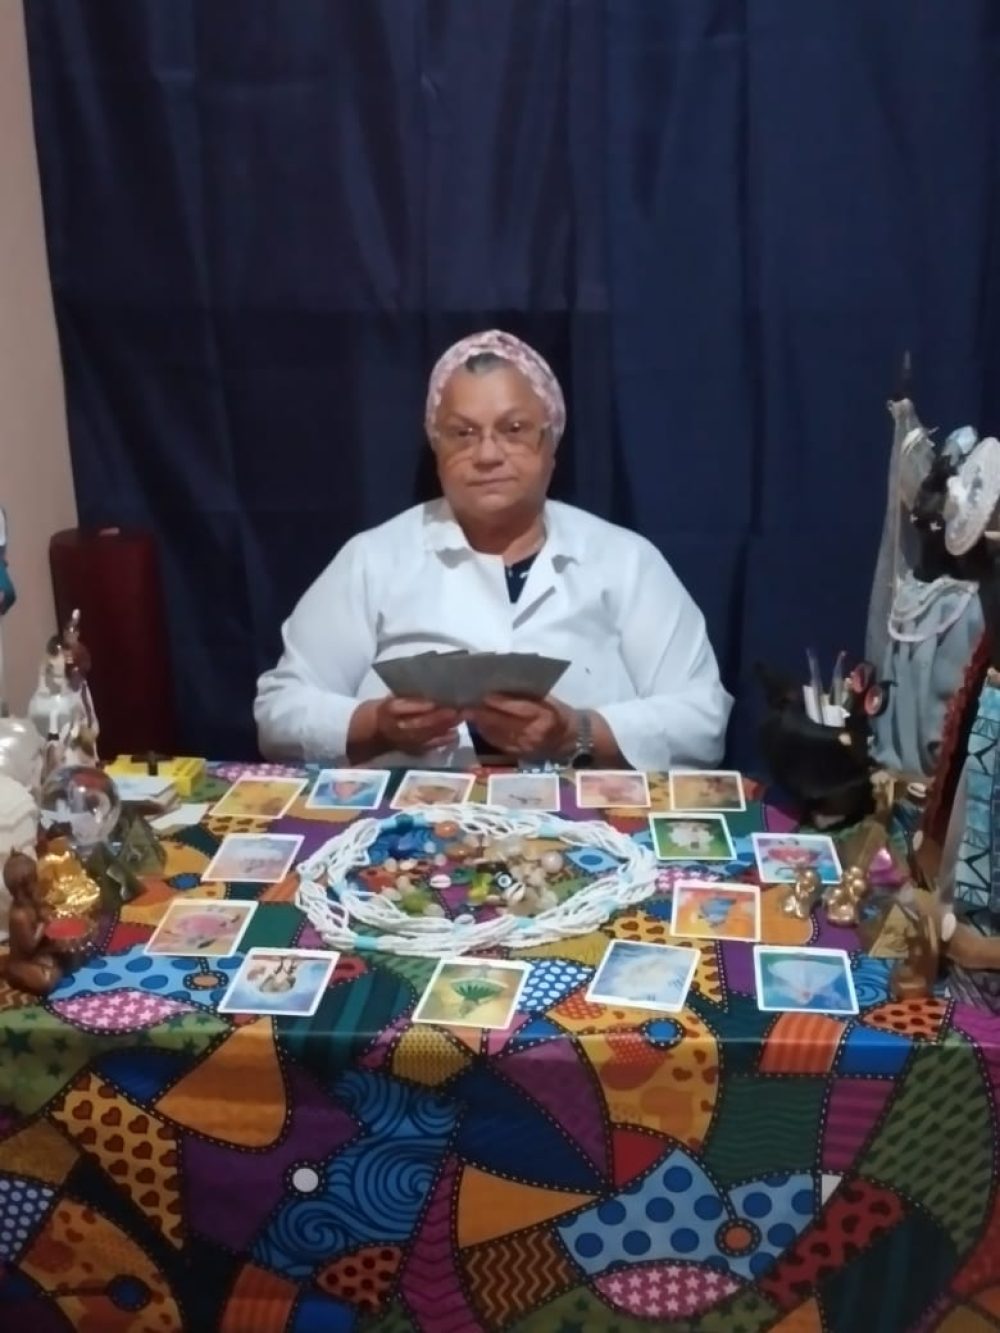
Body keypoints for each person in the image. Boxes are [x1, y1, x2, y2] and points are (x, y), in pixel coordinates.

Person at [254, 331, 732, 771]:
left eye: (514, 428)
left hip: (586, 818)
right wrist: (377, 724)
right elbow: (279, 711)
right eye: (463, 433)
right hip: (413, 820)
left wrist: (577, 732)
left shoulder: (625, 561)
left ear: (551, 443)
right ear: (436, 447)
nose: (487, 455)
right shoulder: (374, 559)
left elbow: (703, 718)